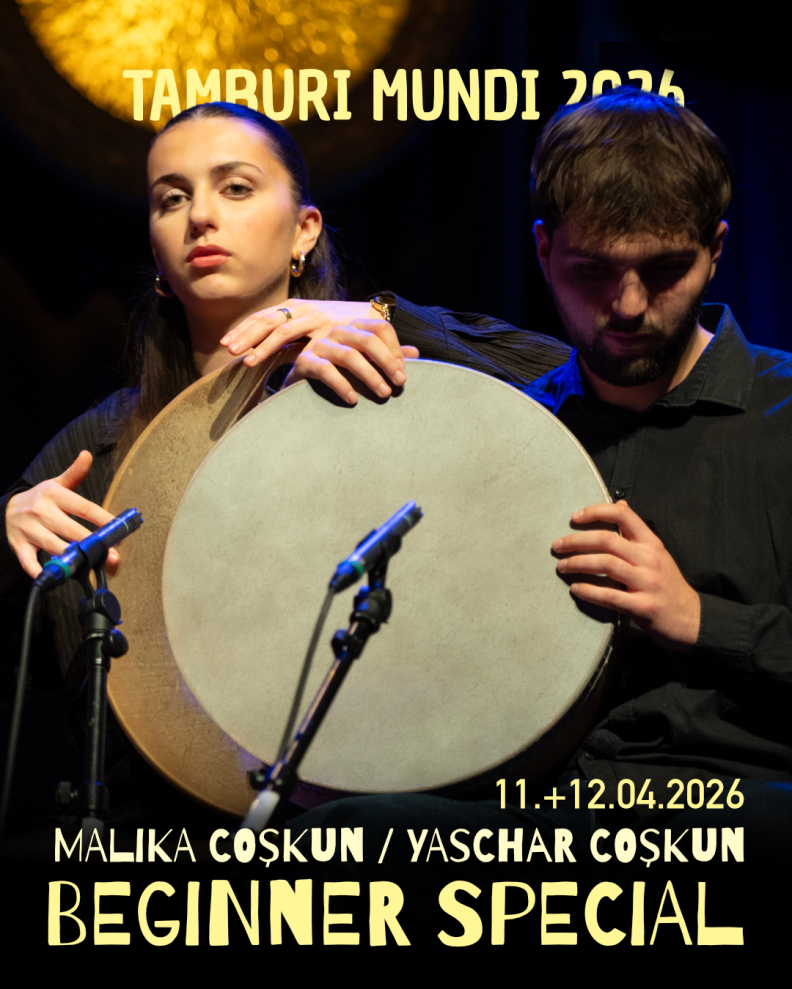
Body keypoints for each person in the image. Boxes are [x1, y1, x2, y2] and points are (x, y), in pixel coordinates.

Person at [244, 88, 792, 944]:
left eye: (663, 269)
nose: (628, 304)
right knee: (334, 840)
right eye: (593, 270)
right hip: (544, 816)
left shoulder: (781, 415)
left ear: (716, 249)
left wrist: (697, 617)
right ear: (543, 250)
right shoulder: (510, 431)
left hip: (732, 804)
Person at [0, 102, 568, 836]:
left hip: (374, 816)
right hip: (165, 835)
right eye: (171, 199)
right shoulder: (107, 445)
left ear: (305, 230)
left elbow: (577, 373)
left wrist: (385, 318)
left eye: (235, 188)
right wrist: (10, 535)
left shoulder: (383, 367)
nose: (200, 216)